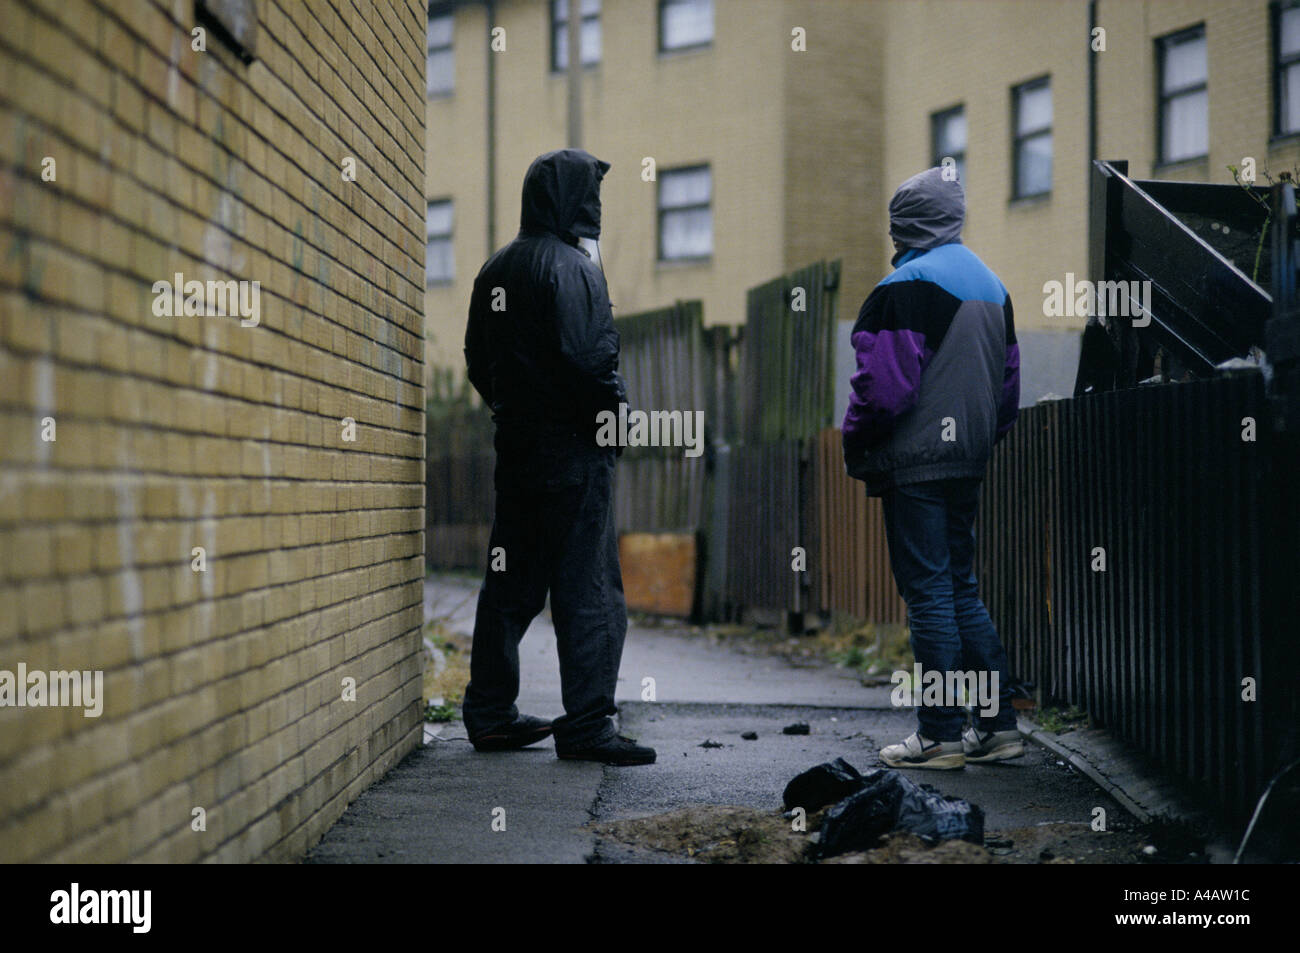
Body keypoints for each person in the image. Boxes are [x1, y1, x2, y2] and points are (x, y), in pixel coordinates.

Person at [461, 148, 655, 766]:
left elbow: (476, 360)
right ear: (576, 199)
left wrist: (514, 410)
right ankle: (588, 726)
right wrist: (612, 421)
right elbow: (589, 361)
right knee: (588, 585)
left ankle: (490, 713)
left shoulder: (495, 269)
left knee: (509, 584)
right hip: (574, 452)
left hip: (517, 450)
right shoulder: (574, 267)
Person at [841, 167, 1023, 770]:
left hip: (916, 461)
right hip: (966, 458)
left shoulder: (904, 285)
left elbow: (884, 390)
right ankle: (996, 728)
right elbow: (1007, 386)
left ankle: (940, 734)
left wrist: (858, 442)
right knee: (961, 589)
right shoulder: (993, 286)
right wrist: (978, 441)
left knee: (928, 596)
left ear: (902, 224)